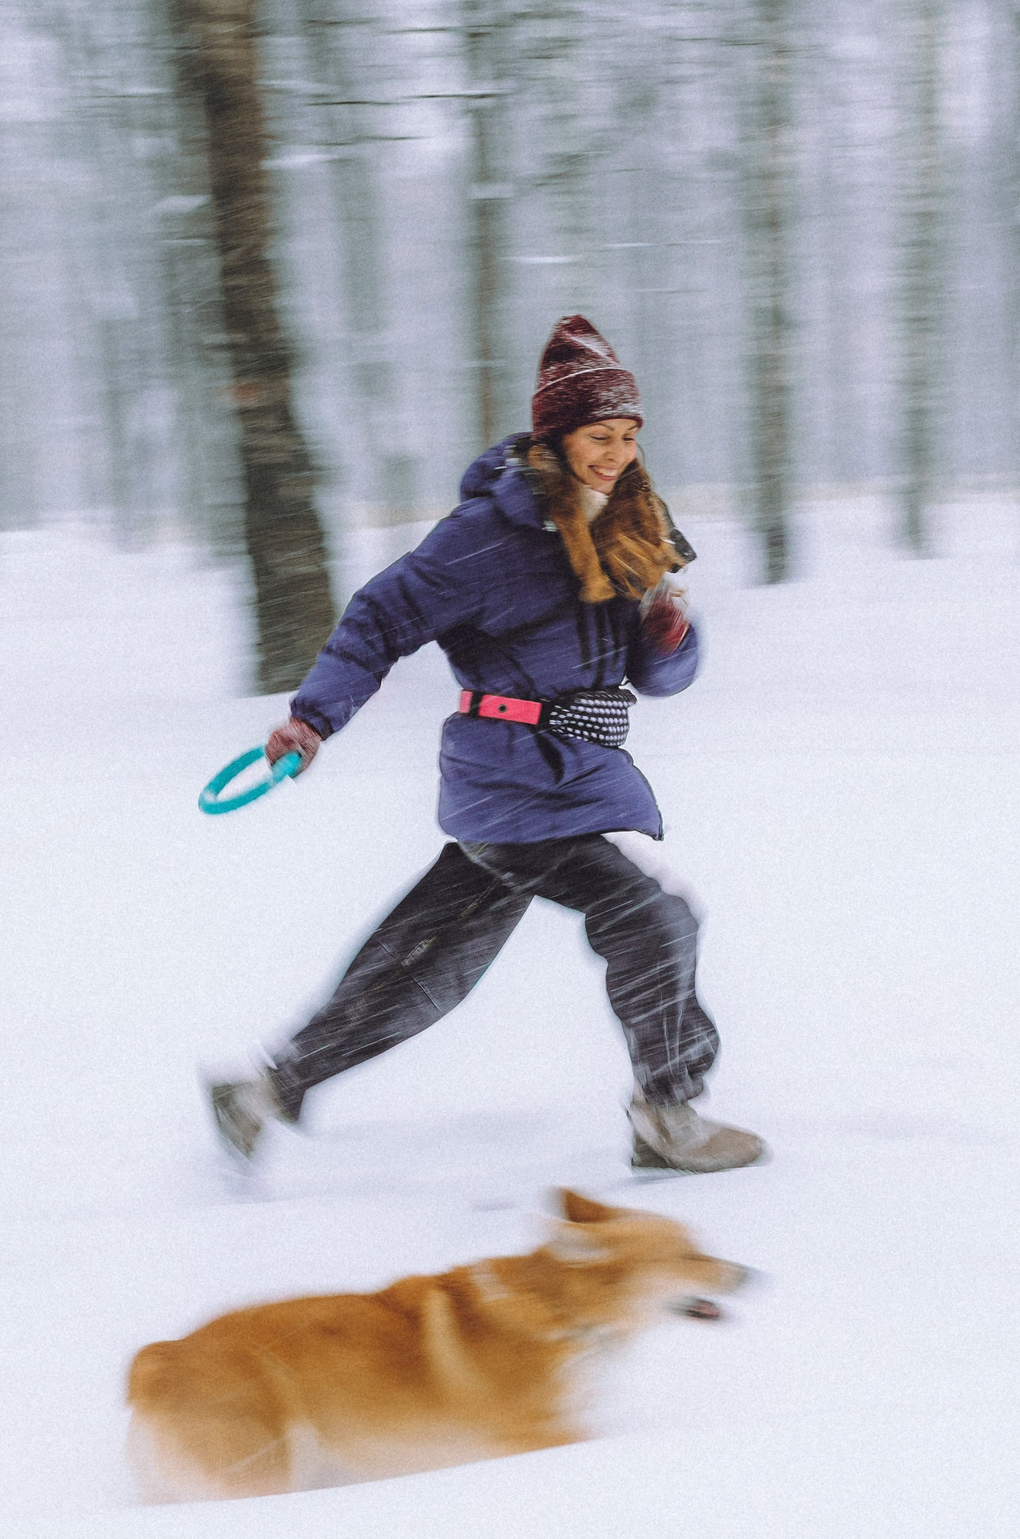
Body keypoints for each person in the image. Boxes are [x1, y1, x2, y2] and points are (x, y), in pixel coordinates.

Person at [205, 315, 766, 1175]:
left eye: (625, 437)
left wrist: (666, 630)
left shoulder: (629, 528)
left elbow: (660, 679)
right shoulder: (488, 536)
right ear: (556, 435)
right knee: (654, 919)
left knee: (431, 956)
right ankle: (668, 1112)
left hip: (570, 776)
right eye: (596, 437)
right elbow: (380, 617)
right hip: (515, 781)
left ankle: (265, 1091)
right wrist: (312, 719)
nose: (614, 455)